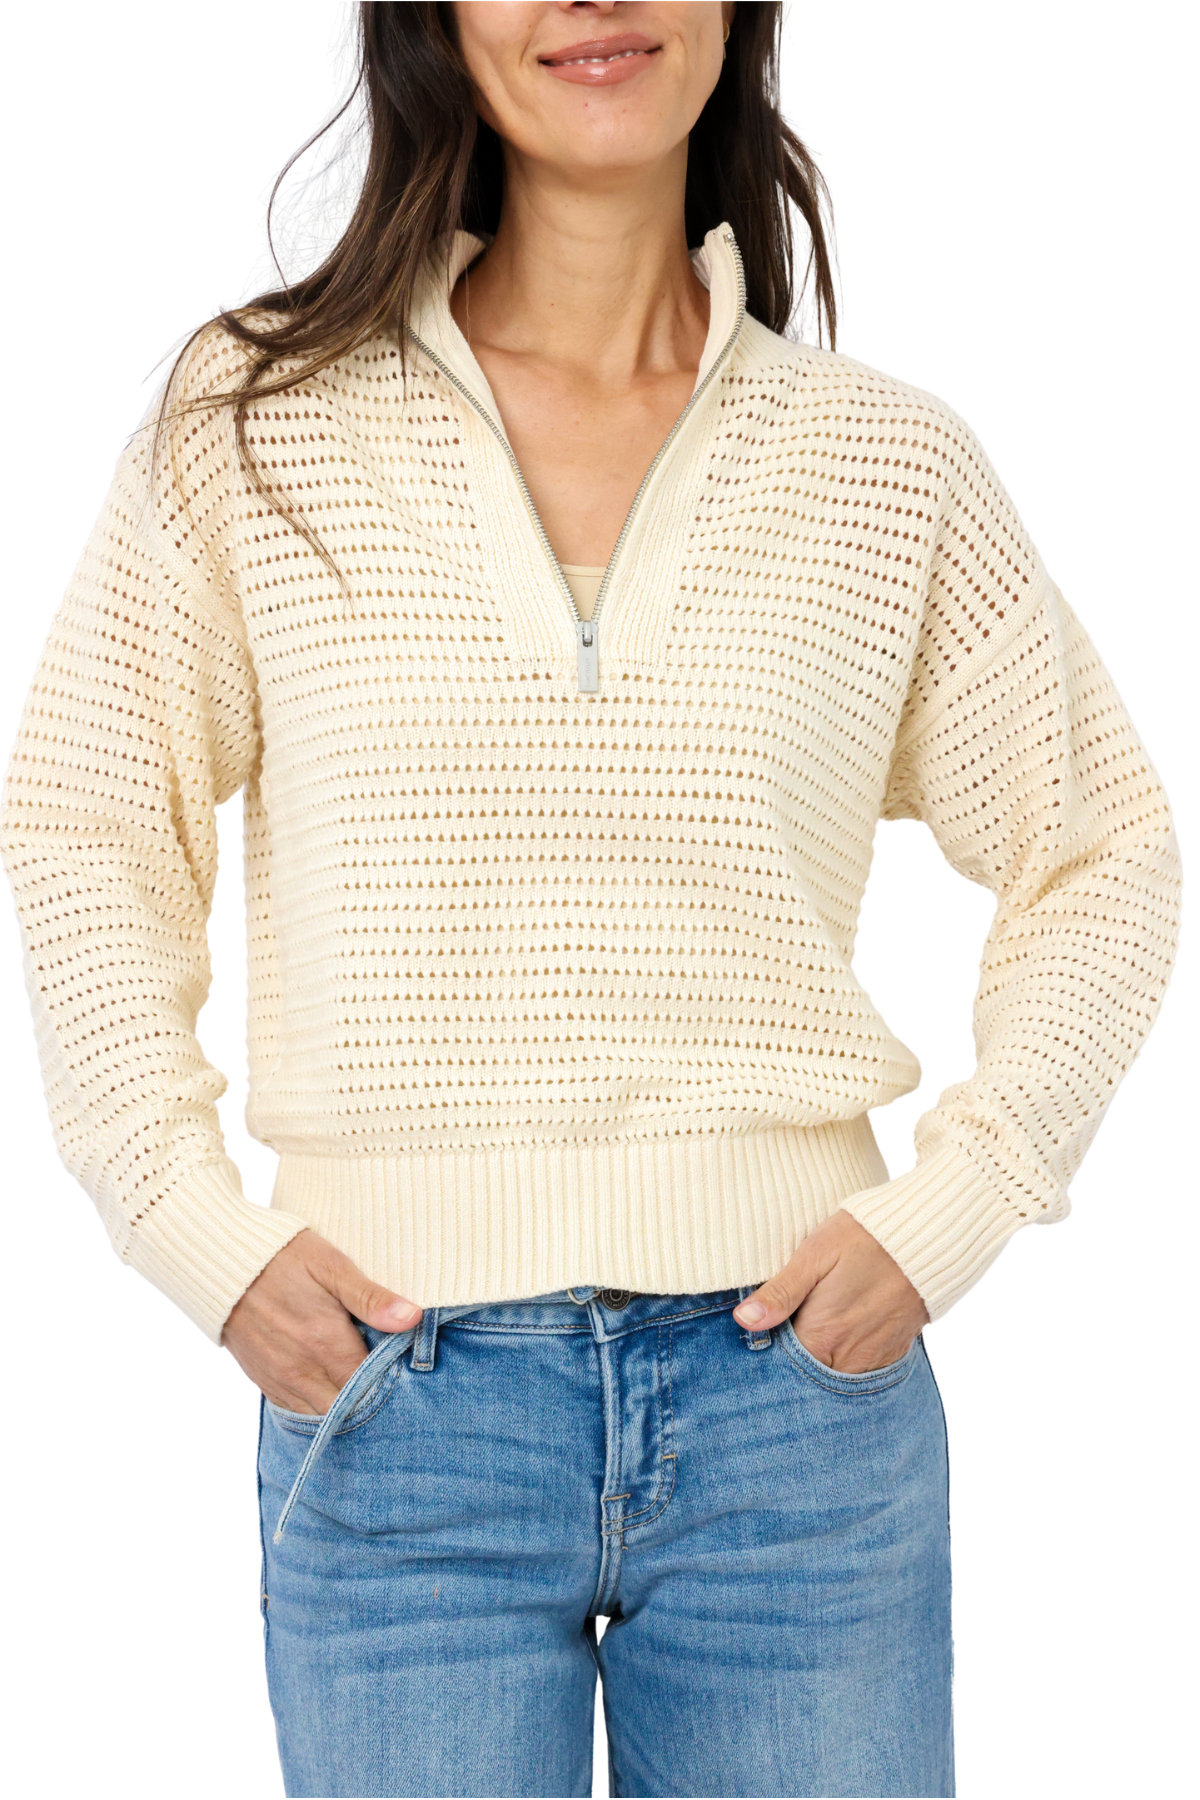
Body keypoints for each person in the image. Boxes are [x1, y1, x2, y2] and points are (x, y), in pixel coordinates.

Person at [0, 4, 1182, 1797]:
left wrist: (961, 1202)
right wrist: (184, 1224)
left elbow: (1103, 850)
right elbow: (89, 818)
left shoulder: (886, 468)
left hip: (797, 1411)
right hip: (396, 1403)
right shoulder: (254, 425)